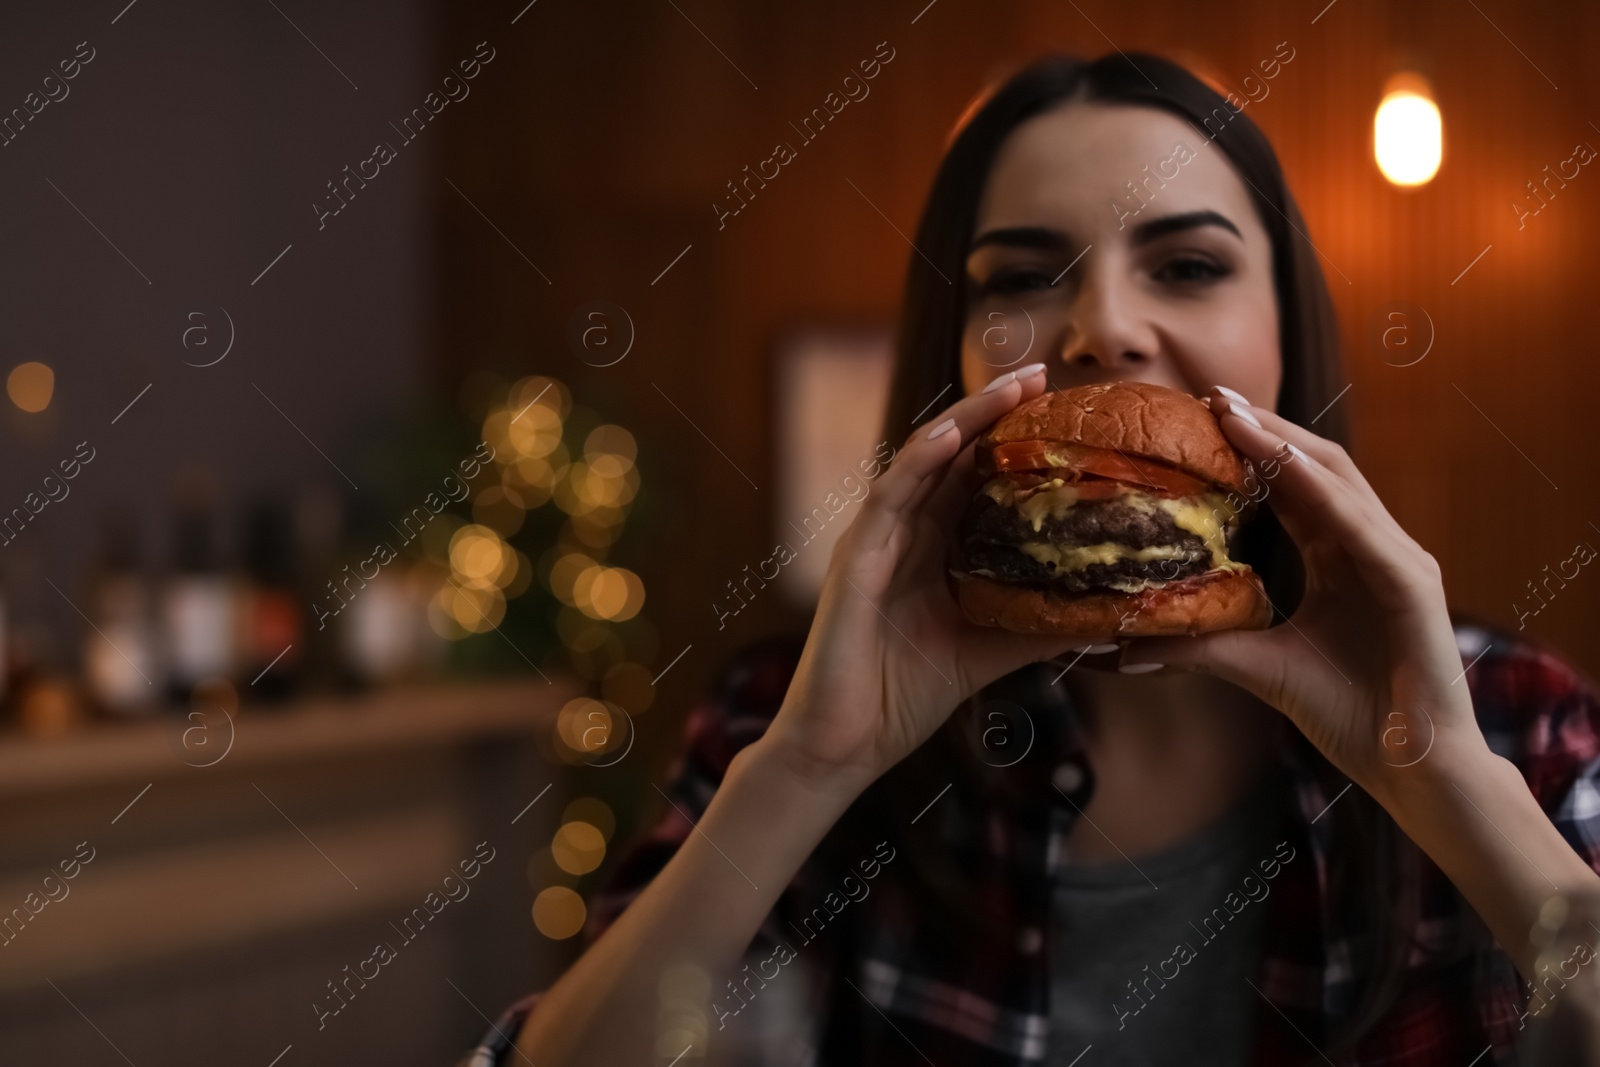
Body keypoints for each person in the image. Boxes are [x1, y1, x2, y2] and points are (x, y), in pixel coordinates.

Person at [465, 52, 1600, 1066]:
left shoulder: (1516, 719)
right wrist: (806, 771)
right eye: (1020, 276)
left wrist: (1447, 782)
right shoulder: (784, 716)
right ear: (951, 353)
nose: (1101, 324)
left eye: (1190, 265)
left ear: (1288, 332)